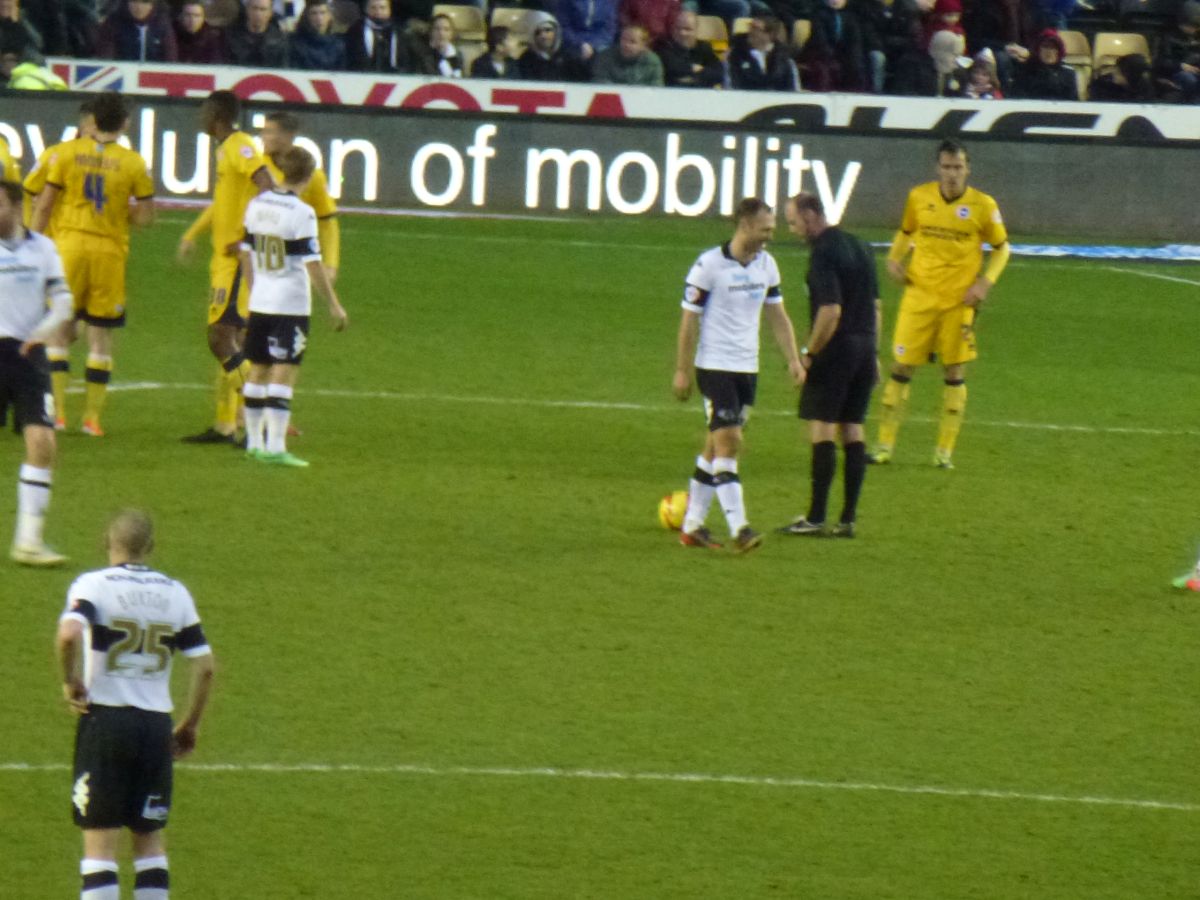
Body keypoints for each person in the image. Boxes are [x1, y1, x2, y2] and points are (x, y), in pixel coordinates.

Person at [55, 509, 216, 899]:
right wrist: (190, 724)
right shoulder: (175, 592)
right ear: (151, 548)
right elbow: (206, 667)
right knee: (150, 843)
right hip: (155, 727)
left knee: (100, 847)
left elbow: (68, 635)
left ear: (107, 543)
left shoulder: (94, 584)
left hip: (106, 723)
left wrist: (70, 680)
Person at [673, 197, 804, 554]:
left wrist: (794, 360)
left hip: (749, 370)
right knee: (730, 442)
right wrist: (682, 371)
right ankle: (740, 528)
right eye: (765, 230)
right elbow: (689, 321)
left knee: (715, 446)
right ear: (745, 225)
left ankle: (692, 526)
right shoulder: (708, 265)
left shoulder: (767, 265)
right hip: (715, 367)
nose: (769, 237)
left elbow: (778, 316)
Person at [870, 139, 1009, 469]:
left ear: (968, 169)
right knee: (901, 367)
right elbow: (907, 231)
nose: (952, 174)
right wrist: (893, 258)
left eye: (958, 167)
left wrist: (984, 283)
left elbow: (1002, 249)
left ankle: (943, 452)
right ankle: (884, 446)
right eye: (946, 167)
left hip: (958, 302)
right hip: (918, 296)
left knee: (954, 370)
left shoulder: (983, 205)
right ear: (938, 168)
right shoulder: (919, 197)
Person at [31, 92, 155, 438]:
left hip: (69, 248)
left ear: (92, 121)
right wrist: (122, 211)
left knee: (59, 329)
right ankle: (92, 419)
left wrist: (31, 245)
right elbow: (145, 217)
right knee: (100, 337)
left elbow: (44, 205)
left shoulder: (66, 154)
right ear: (125, 123)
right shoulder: (133, 163)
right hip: (109, 253)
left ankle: (56, 415)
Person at [778, 193, 880, 538]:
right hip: (865, 345)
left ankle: (816, 517)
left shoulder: (823, 253)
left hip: (837, 350)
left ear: (810, 215)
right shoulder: (861, 246)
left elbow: (830, 311)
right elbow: (876, 307)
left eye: (793, 221)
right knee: (852, 428)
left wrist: (808, 353)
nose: (792, 230)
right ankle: (848, 519)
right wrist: (874, 354)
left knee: (822, 428)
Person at [240, 147, 348, 467]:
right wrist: (334, 304)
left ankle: (254, 443)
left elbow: (245, 252)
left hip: (261, 300)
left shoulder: (256, 204)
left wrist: (253, 289)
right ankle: (275, 448)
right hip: (290, 303)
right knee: (283, 373)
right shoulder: (302, 213)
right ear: (310, 176)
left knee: (258, 369)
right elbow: (313, 264)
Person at [177, 90, 273, 446]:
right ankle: (226, 425)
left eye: (204, 110)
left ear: (216, 115)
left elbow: (267, 184)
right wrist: (192, 234)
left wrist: (250, 234)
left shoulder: (240, 145)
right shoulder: (225, 150)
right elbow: (222, 204)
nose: (200, 117)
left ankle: (257, 415)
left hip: (235, 262)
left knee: (221, 339)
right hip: (223, 261)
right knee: (228, 340)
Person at [0, 180, 73, 566]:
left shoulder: (43, 249)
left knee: (43, 443)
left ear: (15, 207)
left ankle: (28, 541)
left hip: (29, 354)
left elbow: (63, 301)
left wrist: (42, 333)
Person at [259, 111, 340, 287]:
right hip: (257, 260)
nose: (263, 137)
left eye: (269, 132)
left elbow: (327, 221)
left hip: (294, 267)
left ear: (288, 136)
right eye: (263, 131)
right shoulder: (255, 167)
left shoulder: (312, 176)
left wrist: (331, 265)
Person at [655, 9, 724, 88]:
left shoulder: (705, 47)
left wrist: (690, 76)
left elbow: (719, 74)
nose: (682, 33)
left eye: (687, 29)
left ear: (696, 30)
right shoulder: (665, 46)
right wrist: (698, 70)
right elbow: (673, 69)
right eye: (678, 28)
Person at [727, 15, 800, 91]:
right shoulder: (737, 54)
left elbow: (792, 89)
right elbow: (732, 84)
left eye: (756, 28)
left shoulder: (783, 59)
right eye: (750, 26)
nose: (750, 31)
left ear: (770, 35)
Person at [95, 0, 178, 62]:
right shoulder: (113, 23)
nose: (138, 7)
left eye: (144, 2)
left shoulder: (162, 24)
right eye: (134, 1)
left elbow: (170, 58)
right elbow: (105, 56)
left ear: (152, 4)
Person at [1010, 28, 1077, 101]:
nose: (1049, 51)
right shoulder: (1025, 72)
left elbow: (1074, 103)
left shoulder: (1068, 74)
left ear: (1059, 52)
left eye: (1053, 48)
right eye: (1045, 47)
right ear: (1038, 49)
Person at [345, 0, 410, 73]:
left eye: (382, 8)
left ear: (389, 10)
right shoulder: (356, 30)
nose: (378, 12)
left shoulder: (399, 32)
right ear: (366, 10)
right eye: (373, 8)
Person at [591, 23, 664, 85]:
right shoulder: (605, 56)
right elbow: (599, 82)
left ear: (643, 45)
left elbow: (656, 87)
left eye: (632, 42)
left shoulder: (652, 61)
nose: (626, 44)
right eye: (624, 39)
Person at [225, 0, 288, 67]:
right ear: (247, 10)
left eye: (263, 9)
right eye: (254, 8)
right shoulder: (231, 37)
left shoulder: (281, 40)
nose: (258, 13)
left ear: (271, 13)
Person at [517, 16, 581, 82]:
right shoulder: (527, 59)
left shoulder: (568, 55)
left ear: (556, 32)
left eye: (547, 30)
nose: (543, 36)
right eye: (537, 32)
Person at [288, 0, 345, 70]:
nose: (319, 18)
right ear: (307, 16)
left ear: (329, 16)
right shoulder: (295, 43)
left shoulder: (339, 45)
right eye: (314, 13)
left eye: (323, 13)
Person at [415, 12, 463, 77]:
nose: (441, 33)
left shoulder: (457, 55)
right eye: (437, 29)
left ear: (452, 34)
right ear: (431, 32)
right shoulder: (422, 55)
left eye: (446, 29)